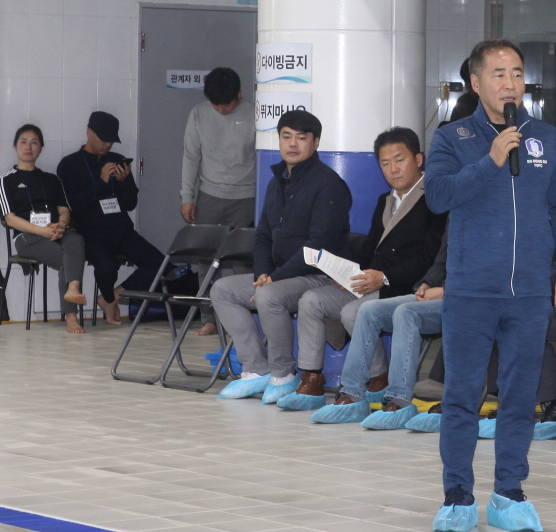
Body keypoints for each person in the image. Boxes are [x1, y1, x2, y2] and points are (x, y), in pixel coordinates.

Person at [423, 38, 556, 532]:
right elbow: (439, 197)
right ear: (475, 82)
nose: (509, 83)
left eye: (516, 73)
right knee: (462, 397)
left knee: (519, 397)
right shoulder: (452, 138)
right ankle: (457, 496)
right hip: (471, 291)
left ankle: (510, 493)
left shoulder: (546, 139)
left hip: (531, 292)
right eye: (498, 74)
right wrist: (490, 160)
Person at [208, 110, 353, 405]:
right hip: (279, 275)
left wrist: (273, 278)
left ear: (316, 143)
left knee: (269, 296)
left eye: (301, 138)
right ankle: (256, 369)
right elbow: (262, 235)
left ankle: (284, 375)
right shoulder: (277, 183)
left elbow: (317, 248)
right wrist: (263, 272)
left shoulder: (329, 184)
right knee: (222, 290)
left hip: (319, 276)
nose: (292, 144)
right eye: (286, 136)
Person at [306, 128, 447, 423]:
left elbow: (429, 259)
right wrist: (348, 271)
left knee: (354, 312)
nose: (393, 169)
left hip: (405, 285)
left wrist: (383, 277)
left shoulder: (435, 199)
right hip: (373, 281)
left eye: (400, 160)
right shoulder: (386, 199)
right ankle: (322, 382)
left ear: (418, 159)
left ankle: (379, 383)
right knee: (313, 300)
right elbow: (371, 246)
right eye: (385, 163)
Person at [55, 111, 165, 326]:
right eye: (103, 139)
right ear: (89, 133)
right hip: (92, 232)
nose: (108, 145)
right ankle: (107, 298)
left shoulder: (117, 160)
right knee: (107, 266)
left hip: (122, 229)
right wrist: (102, 182)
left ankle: (112, 297)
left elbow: (130, 204)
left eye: (111, 141)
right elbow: (75, 206)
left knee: (160, 265)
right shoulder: (69, 165)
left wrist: (124, 182)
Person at [336, 230, 450, 432]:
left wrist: (447, 289)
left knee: (406, 312)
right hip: (439, 292)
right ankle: (352, 394)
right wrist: (427, 284)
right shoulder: (457, 213)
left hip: (466, 295)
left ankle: (400, 399)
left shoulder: (497, 212)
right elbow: (442, 260)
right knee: (370, 310)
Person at [180, 66, 256, 336]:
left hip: (247, 196)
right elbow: (191, 156)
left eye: (227, 105)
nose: (222, 110)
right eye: (216, 105)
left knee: (243, 263)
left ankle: (242, 319)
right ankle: (209, 317)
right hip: (209, 195)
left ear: (240, 94)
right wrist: (187, 197)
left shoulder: (255, 112)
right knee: (206, 261)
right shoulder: (199, 114)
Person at [0, 124, 88, 333]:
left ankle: (72, 288)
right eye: (23, 142)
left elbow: (64, 211)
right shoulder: (6, 180)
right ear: (15, 146)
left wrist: (61, 225)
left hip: (56, 232)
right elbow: (10, 219)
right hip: (28, 237)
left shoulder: (52, 180)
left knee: (76, 240)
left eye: (34, 142)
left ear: (41, 148)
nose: (29, 147)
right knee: (67, 258)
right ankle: (71, 317)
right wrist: (42, 231)